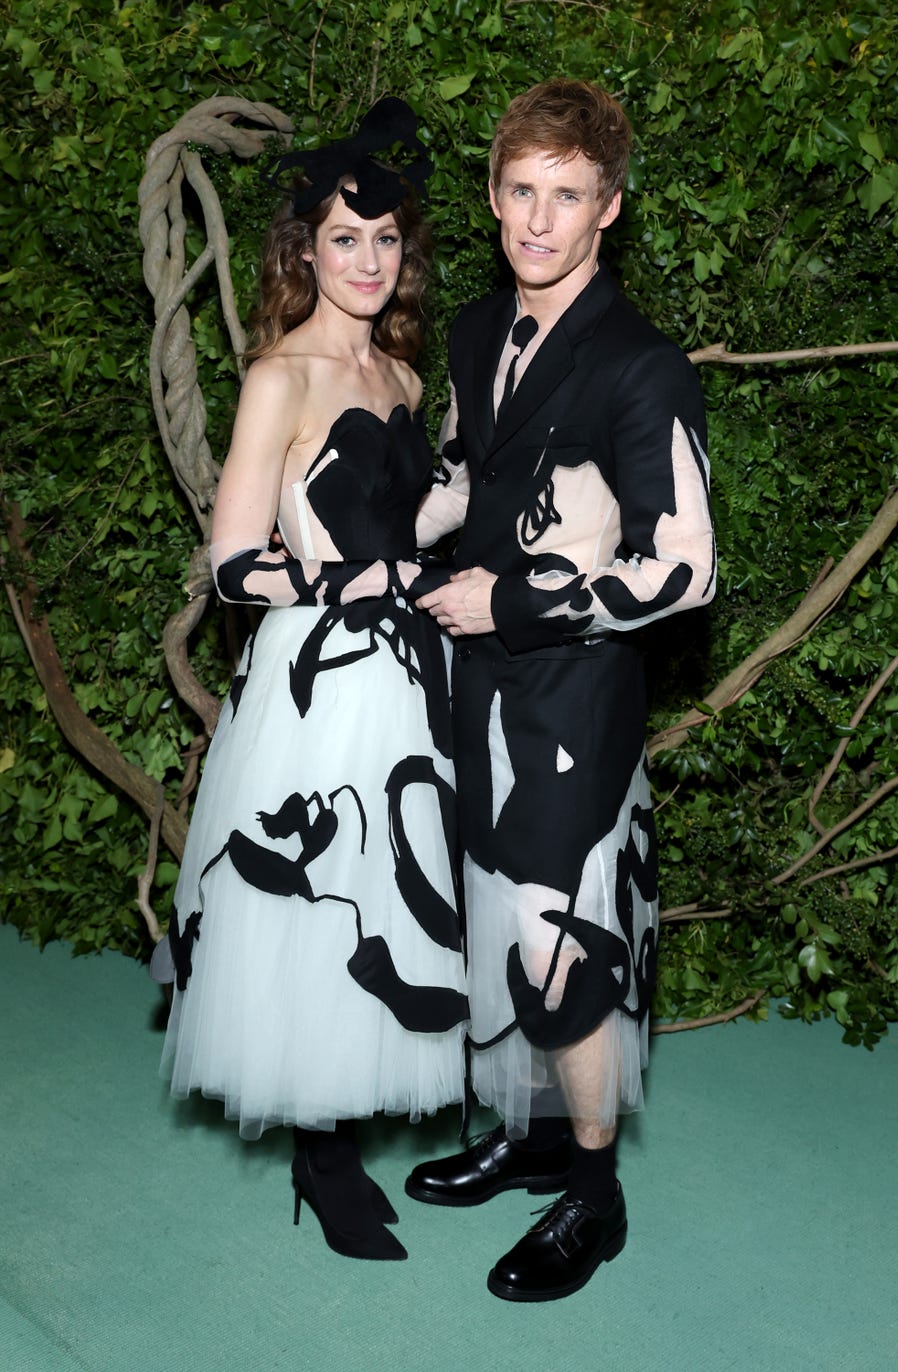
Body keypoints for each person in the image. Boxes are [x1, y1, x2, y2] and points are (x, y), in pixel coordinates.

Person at [408, 78, 716, 1301]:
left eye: (568, 197)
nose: (540, 220)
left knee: (553, 939)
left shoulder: (642, 366)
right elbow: (459, 473)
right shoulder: (481, 331)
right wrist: (375, 541)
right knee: (492, 915)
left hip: (574, 688)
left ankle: (594, 1192)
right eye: (521, 192)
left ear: (609, 209)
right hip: (474, 676)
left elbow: (685, 571)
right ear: (493, 198)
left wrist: (519, 600)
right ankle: (532, 1136)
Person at [157, 99, 467, 1263]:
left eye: (386, 242)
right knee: (319, 898)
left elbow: (414, 512)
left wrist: (483, 479)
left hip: (405, 672)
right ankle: (320, 1158)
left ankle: (343, 1122)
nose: (369, 261)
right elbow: (237, 562)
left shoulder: (396, 367)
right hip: (317, 681)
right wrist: (363, 579)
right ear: (305, 251)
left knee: (393, 898)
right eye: (345, 239)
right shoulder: (279, 377)